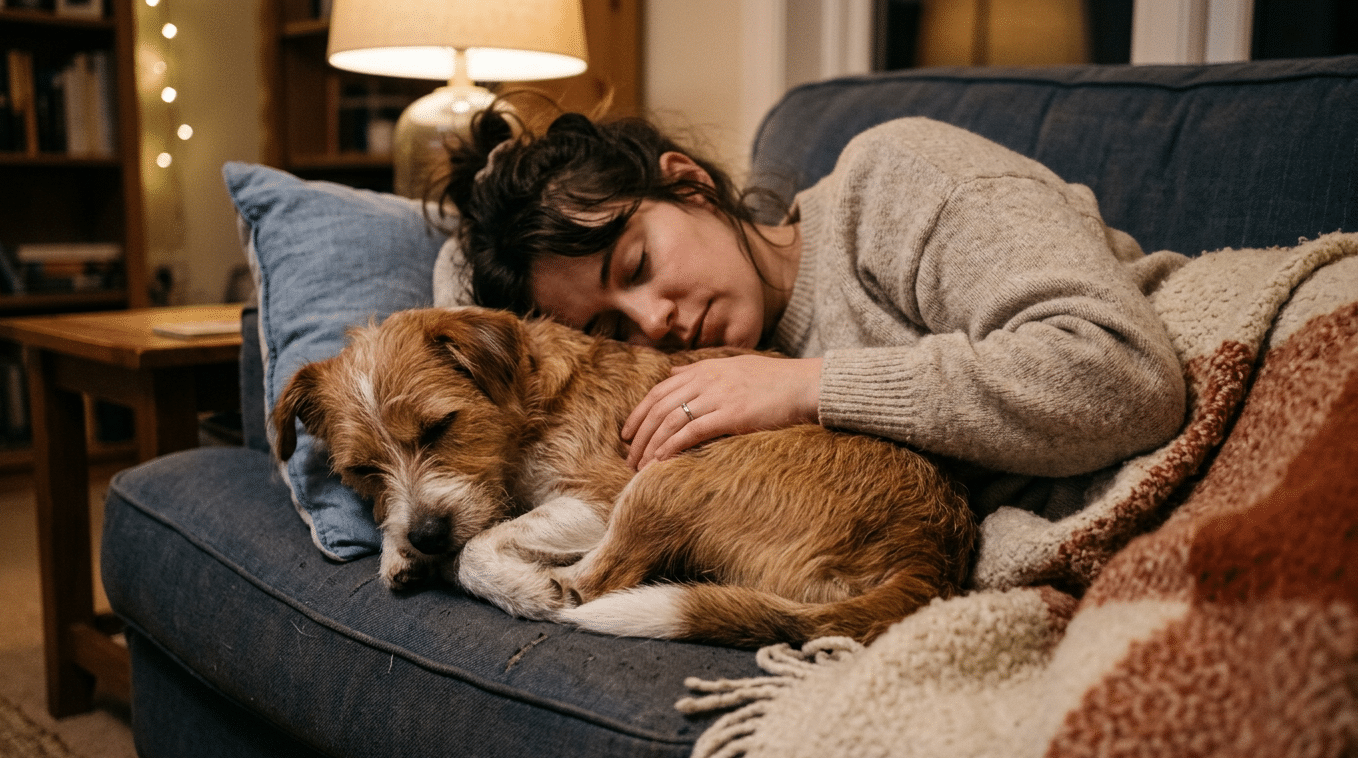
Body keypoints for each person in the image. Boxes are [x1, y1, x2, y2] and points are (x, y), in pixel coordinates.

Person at [433, 104, 1188, 518]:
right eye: (611, 328)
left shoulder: (893, 180)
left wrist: (806, 386)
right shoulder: (683, 395)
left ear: (689, 183)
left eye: (637, 265)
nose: (652, 322)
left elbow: (1121, 372)